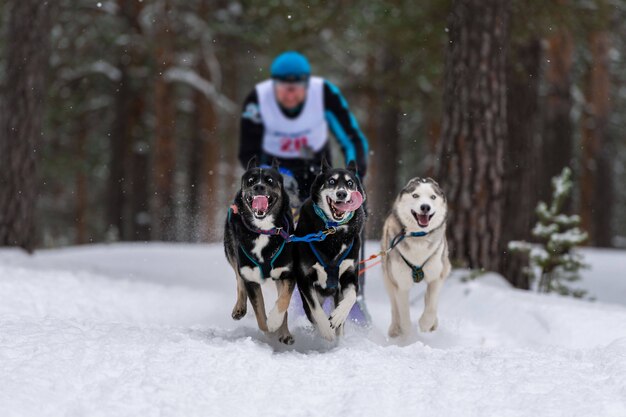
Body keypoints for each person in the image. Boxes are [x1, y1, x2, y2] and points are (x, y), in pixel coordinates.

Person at [238, 51, 368, 203]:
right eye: (284, 89)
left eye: (296, 89)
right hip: (274, 165)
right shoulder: (257, 99)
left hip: (314, 164)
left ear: (307, 85)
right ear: (273, 85)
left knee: (343, 209)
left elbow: (352, 140)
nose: (290, 96)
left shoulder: (325, 94)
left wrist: (355, 178)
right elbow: (248, 152)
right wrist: (270, 174)